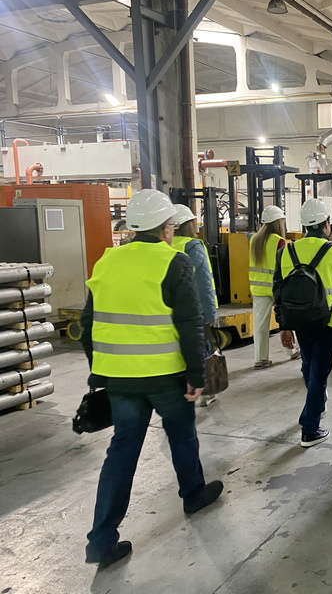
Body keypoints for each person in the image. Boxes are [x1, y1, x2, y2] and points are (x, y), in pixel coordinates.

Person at [81, 189, 223, 569]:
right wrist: (196, 375)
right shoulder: (173, 261)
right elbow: (190, 324)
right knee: (182, 435)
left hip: (119, 380)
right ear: (166, 227)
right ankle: (193, 495)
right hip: (165, 377)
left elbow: (87, 324)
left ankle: (101, 540)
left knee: (121, 452)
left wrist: (101, 369)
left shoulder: (107, 261)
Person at [273, 198, 332, 447]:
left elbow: (278, 291)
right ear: (327, 224)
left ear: (304, 225)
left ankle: (317, 403)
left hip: (299, 319)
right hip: (329, 322)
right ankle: (309, 428)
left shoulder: (286, 252)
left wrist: (284, 326)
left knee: (309, 364)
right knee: (319, 373)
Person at [171, 204, 219, 406]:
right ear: (188, 224)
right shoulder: (192, 246)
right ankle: (206, 391)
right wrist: (210, 313)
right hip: (194, 309)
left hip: (170, 310)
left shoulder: (165, 245)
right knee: (202, 348)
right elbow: (203, 281)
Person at [249, 205, 299, 370]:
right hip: (276, 288)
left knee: (260, 326)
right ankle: (291, 351)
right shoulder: (279, 241)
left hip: (258, 289)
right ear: (278, 222)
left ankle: (260, 359)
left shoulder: (254, 240)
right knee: (285, 320)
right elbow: (283, 265)